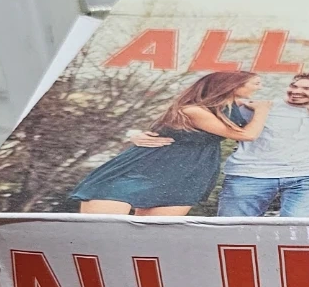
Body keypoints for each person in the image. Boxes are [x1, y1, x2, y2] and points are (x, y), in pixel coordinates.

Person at [131, 72, 309, 218]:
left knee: (296, 227)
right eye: (294, 86)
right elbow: (189, 118)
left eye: (307, 89)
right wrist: (137, 134)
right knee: (233, 228)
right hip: (251, 174)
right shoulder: (256, 106)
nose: (295, 91)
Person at [71, 71, 271, 216]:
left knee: (152, 236)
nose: (259, 87)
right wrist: (262, 111)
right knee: (103, 230)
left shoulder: (229, 108)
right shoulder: (193, 110)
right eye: (255, 83)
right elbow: (247, 135)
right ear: (233, 85)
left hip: (188, 173)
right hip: (147, 167)